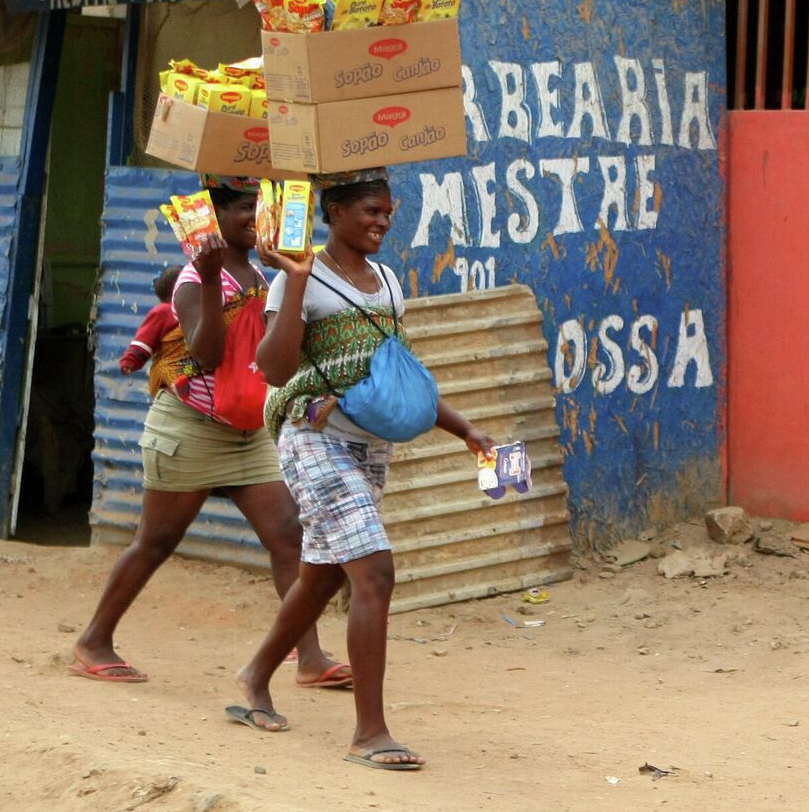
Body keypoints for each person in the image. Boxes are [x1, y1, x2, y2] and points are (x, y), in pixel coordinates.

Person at [230, 170, 496, 771]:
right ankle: (370, 733)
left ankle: (255, 676)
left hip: (369, 445)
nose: (381, 222)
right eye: (371, 211)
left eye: (387, 213)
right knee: (373, 571)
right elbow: (272, 369)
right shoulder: (297, 278)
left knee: (323, 574)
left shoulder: (388, 282)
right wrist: (296, 280)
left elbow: (394, 374)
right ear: (335, 213)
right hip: (311, 439)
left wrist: (463, 429)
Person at [70, 176, 349, 690]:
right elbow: (207, 355)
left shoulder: (263, 271)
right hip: (191, 430)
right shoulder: (194, 280)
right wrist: (211, 272)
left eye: (258, 207)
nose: (254, 216)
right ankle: (93, 641)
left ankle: (308, 657)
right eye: (244, 208)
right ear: (216, 216)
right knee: (156, 541)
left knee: (290, 537)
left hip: (249, 430)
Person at [119, 265, 182, 374]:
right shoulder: (164, 311)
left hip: (194, 367)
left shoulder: (196, 311)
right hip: (174, 368)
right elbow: (145, 339)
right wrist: (130, 361)